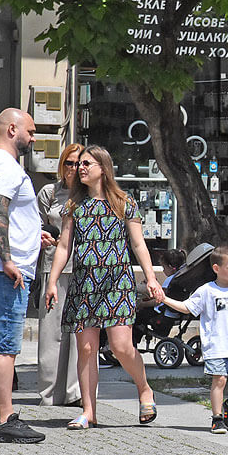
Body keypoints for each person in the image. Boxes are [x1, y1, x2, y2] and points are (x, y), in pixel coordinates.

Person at [45, 145, 164, 429]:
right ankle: (89, 412)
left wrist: (151, 278)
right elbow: (64, 246)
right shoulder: (73, 205)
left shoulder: (124, 203)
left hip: (117, 284)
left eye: (87, 163)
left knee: (121, 347)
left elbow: (138, 244)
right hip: (84, 285)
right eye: (79, 164)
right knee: (86, 349)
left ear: (103, 168)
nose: (80, 168)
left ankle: (144, 388)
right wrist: (52, 282)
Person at [0, 108, 52, 444]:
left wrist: (33, 234)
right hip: (8, 272)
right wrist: (7, 259)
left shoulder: (6, 165)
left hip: (9, 267)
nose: (33, 138)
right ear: (12, 129)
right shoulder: (5, 165)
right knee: (5, 346)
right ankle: (5, 419)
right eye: (30, 132)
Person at [162, 244, 228, 434]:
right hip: (216, 345)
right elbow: (187, 307)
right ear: (216, 268)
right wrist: (164, 299)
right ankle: (217, 418)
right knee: (219, 380)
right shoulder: (206, 291)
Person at [35, 142, 84, 407]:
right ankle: (49, 393)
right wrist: (42, 238)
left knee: (79, 332)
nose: (74, 168)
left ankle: (76, 392)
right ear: (62, 164)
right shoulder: (49, 192)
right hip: (53, 266)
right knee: (51, 331)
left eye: (80, 163)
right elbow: (36, 225)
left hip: (83, 269)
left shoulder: (90, 195)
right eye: (69, 163)